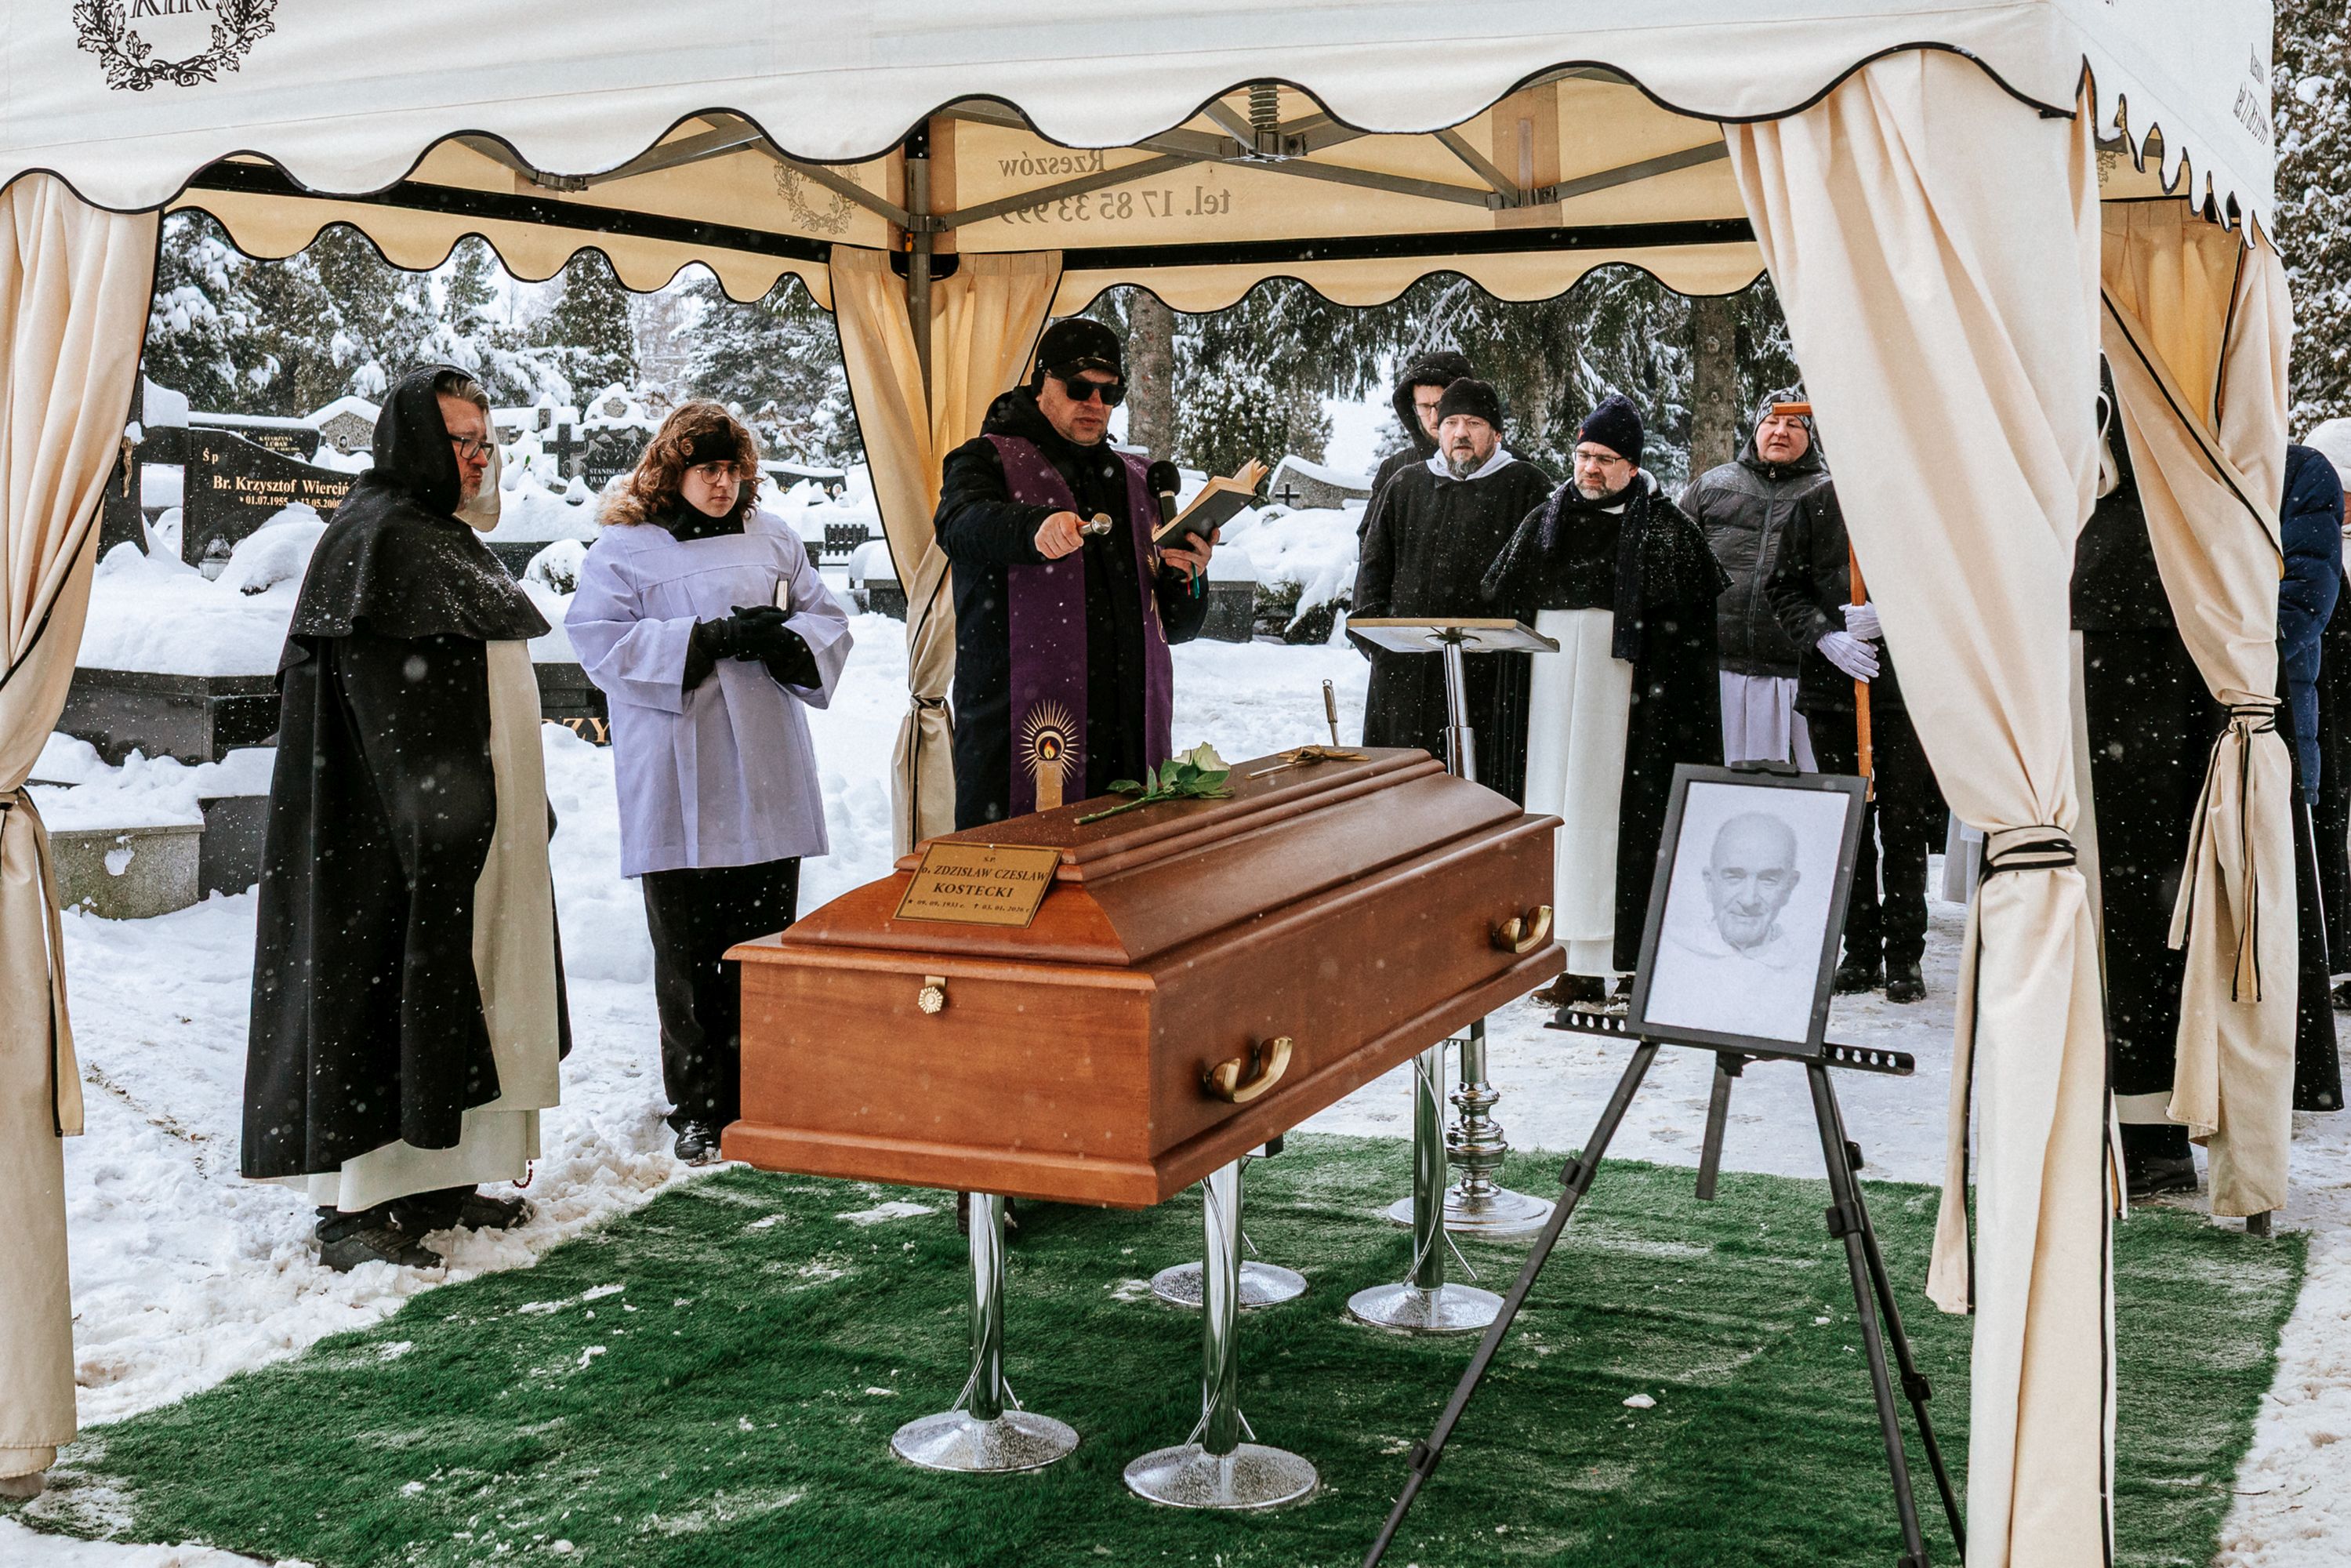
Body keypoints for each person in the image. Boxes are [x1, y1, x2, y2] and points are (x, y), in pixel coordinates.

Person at [243, 366, 569, 1272]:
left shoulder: (437, 536)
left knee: (454, 999)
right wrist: (436, 821)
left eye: (483, 441)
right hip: (388, 843)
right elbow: (390, 715)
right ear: (413, 442)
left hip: (460, 832)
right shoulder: (380, 538)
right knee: (378, 998)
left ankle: (437, 1180)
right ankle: (356, 1207)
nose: (476, 457)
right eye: (459, 440)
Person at [566, 404, 853, 1166]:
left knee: (761, 941)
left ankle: (761, 1090)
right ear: (673, 472)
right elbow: (598, 639)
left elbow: (826, 619)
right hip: (679, 765)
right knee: (690, 952)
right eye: (707, 470)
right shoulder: (627, 549)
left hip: (764, 758)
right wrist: (707, 638)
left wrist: (784, 642)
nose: (722, 484)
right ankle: (698, 1103)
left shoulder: (772, 538)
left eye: (732, 470)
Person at [1483, 392, 1723, 1008]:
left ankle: (1630, 959)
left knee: (1615, 824)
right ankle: (1568, 956)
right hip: (1549, 697)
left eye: (1605, 459)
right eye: (1583, 455)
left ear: (1632, 467)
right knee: (1553, 811)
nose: (1589, 468)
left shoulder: (1666, 532)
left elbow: (1689, 640)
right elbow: (1503, 601)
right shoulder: (1545, 521)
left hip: (1627, 709)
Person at [934, 317, 1217, 829]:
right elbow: (958, 526)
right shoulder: (985, 459)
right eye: (1079, 388)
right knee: (1023, 870)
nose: (1095, 403)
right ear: (1042, 382)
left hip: (1128, 740)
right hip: (1019, 729)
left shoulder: (1139, 480)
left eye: (1110, 393)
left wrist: (1189, 577)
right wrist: (1032, 529)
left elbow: (1177, 628)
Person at [2072, 383, 2218, 1196]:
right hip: (2125, 688)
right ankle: (2136, 1123)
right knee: (2129, 916)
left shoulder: (2141, 523)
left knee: (2135, 916)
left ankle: (2146, 1127)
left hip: (2136, 703)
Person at [1766, 466, 1936, 1004]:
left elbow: (1948, 585)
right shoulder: (1815, 506)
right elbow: (1783, 587)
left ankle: (1903, 954)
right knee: (1849, 823)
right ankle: (1859, 950)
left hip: (1904, 692)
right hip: (1832, 693)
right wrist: (1824, 637)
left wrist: (1898, 616)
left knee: (1904, 822)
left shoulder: (1921, 503)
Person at [1354, 377, 1553, 803]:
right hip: (1406, 682)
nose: (1461, 433)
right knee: (1402, 799)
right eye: (1451, 423)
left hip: (1492, 684)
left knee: (1481, 800)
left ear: (1497, 433)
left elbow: (1545, 584)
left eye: (1474, 423)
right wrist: (1382, 650)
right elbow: (1372, 575)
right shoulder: (1405, 486)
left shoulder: (1527, 487)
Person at [1685, 390, 1828, 769]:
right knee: (1720, 776)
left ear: (1810, 435)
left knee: (1803, 781)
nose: (1780, 431)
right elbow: (1678, 568)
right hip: (1719, 666)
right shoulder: (1712, 486)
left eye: (1793, 424)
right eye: (1771, 422)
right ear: (1756, 428)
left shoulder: (1828, 494)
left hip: (1797, 671)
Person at [2279, 443, 2344, 1115]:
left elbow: (2302, 602)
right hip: (2177, 721)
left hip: (2268, 720)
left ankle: (2291, 1070)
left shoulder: (2300, 471)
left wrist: (2207, 642)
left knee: (2282, 906)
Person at [1648, 811, 1817, 1040]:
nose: (1749, 899)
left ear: (1789, 886)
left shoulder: (1805, 972)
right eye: (1734, 877)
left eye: (1768, 880)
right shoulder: (1669, 958)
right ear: (1710, 882)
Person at [1368, 349, 1476, 521]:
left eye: (1442, 405)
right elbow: (1372, 536)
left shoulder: (1507, 466)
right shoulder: (1394, 469)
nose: (1434, 418)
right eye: (1424, 407)